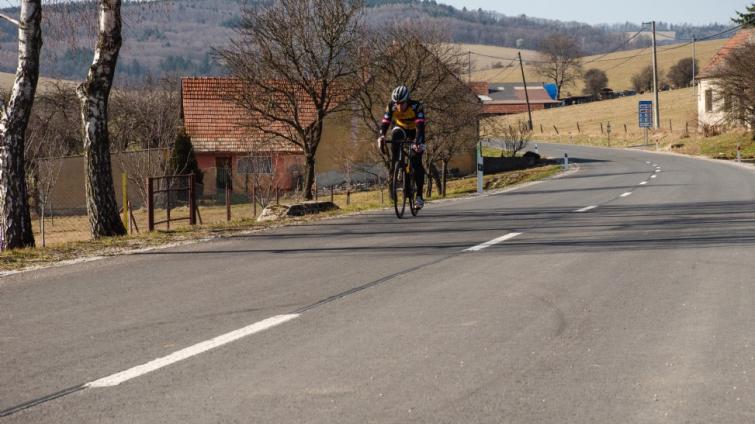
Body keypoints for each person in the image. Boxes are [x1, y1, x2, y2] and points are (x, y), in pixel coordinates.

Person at [376, 85, 427, 209]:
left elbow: (420, 126)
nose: (399, 106)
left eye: (402, 103)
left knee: (416, 162)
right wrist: (381, 136)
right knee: (395, 137)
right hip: (401, 128)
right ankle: (399, 166)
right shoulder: (391, 106)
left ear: (407, 100)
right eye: (397, 103)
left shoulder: (416, 106)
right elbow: (385, 123)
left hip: (415, 132)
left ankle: (419, 197)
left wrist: (417, 142)